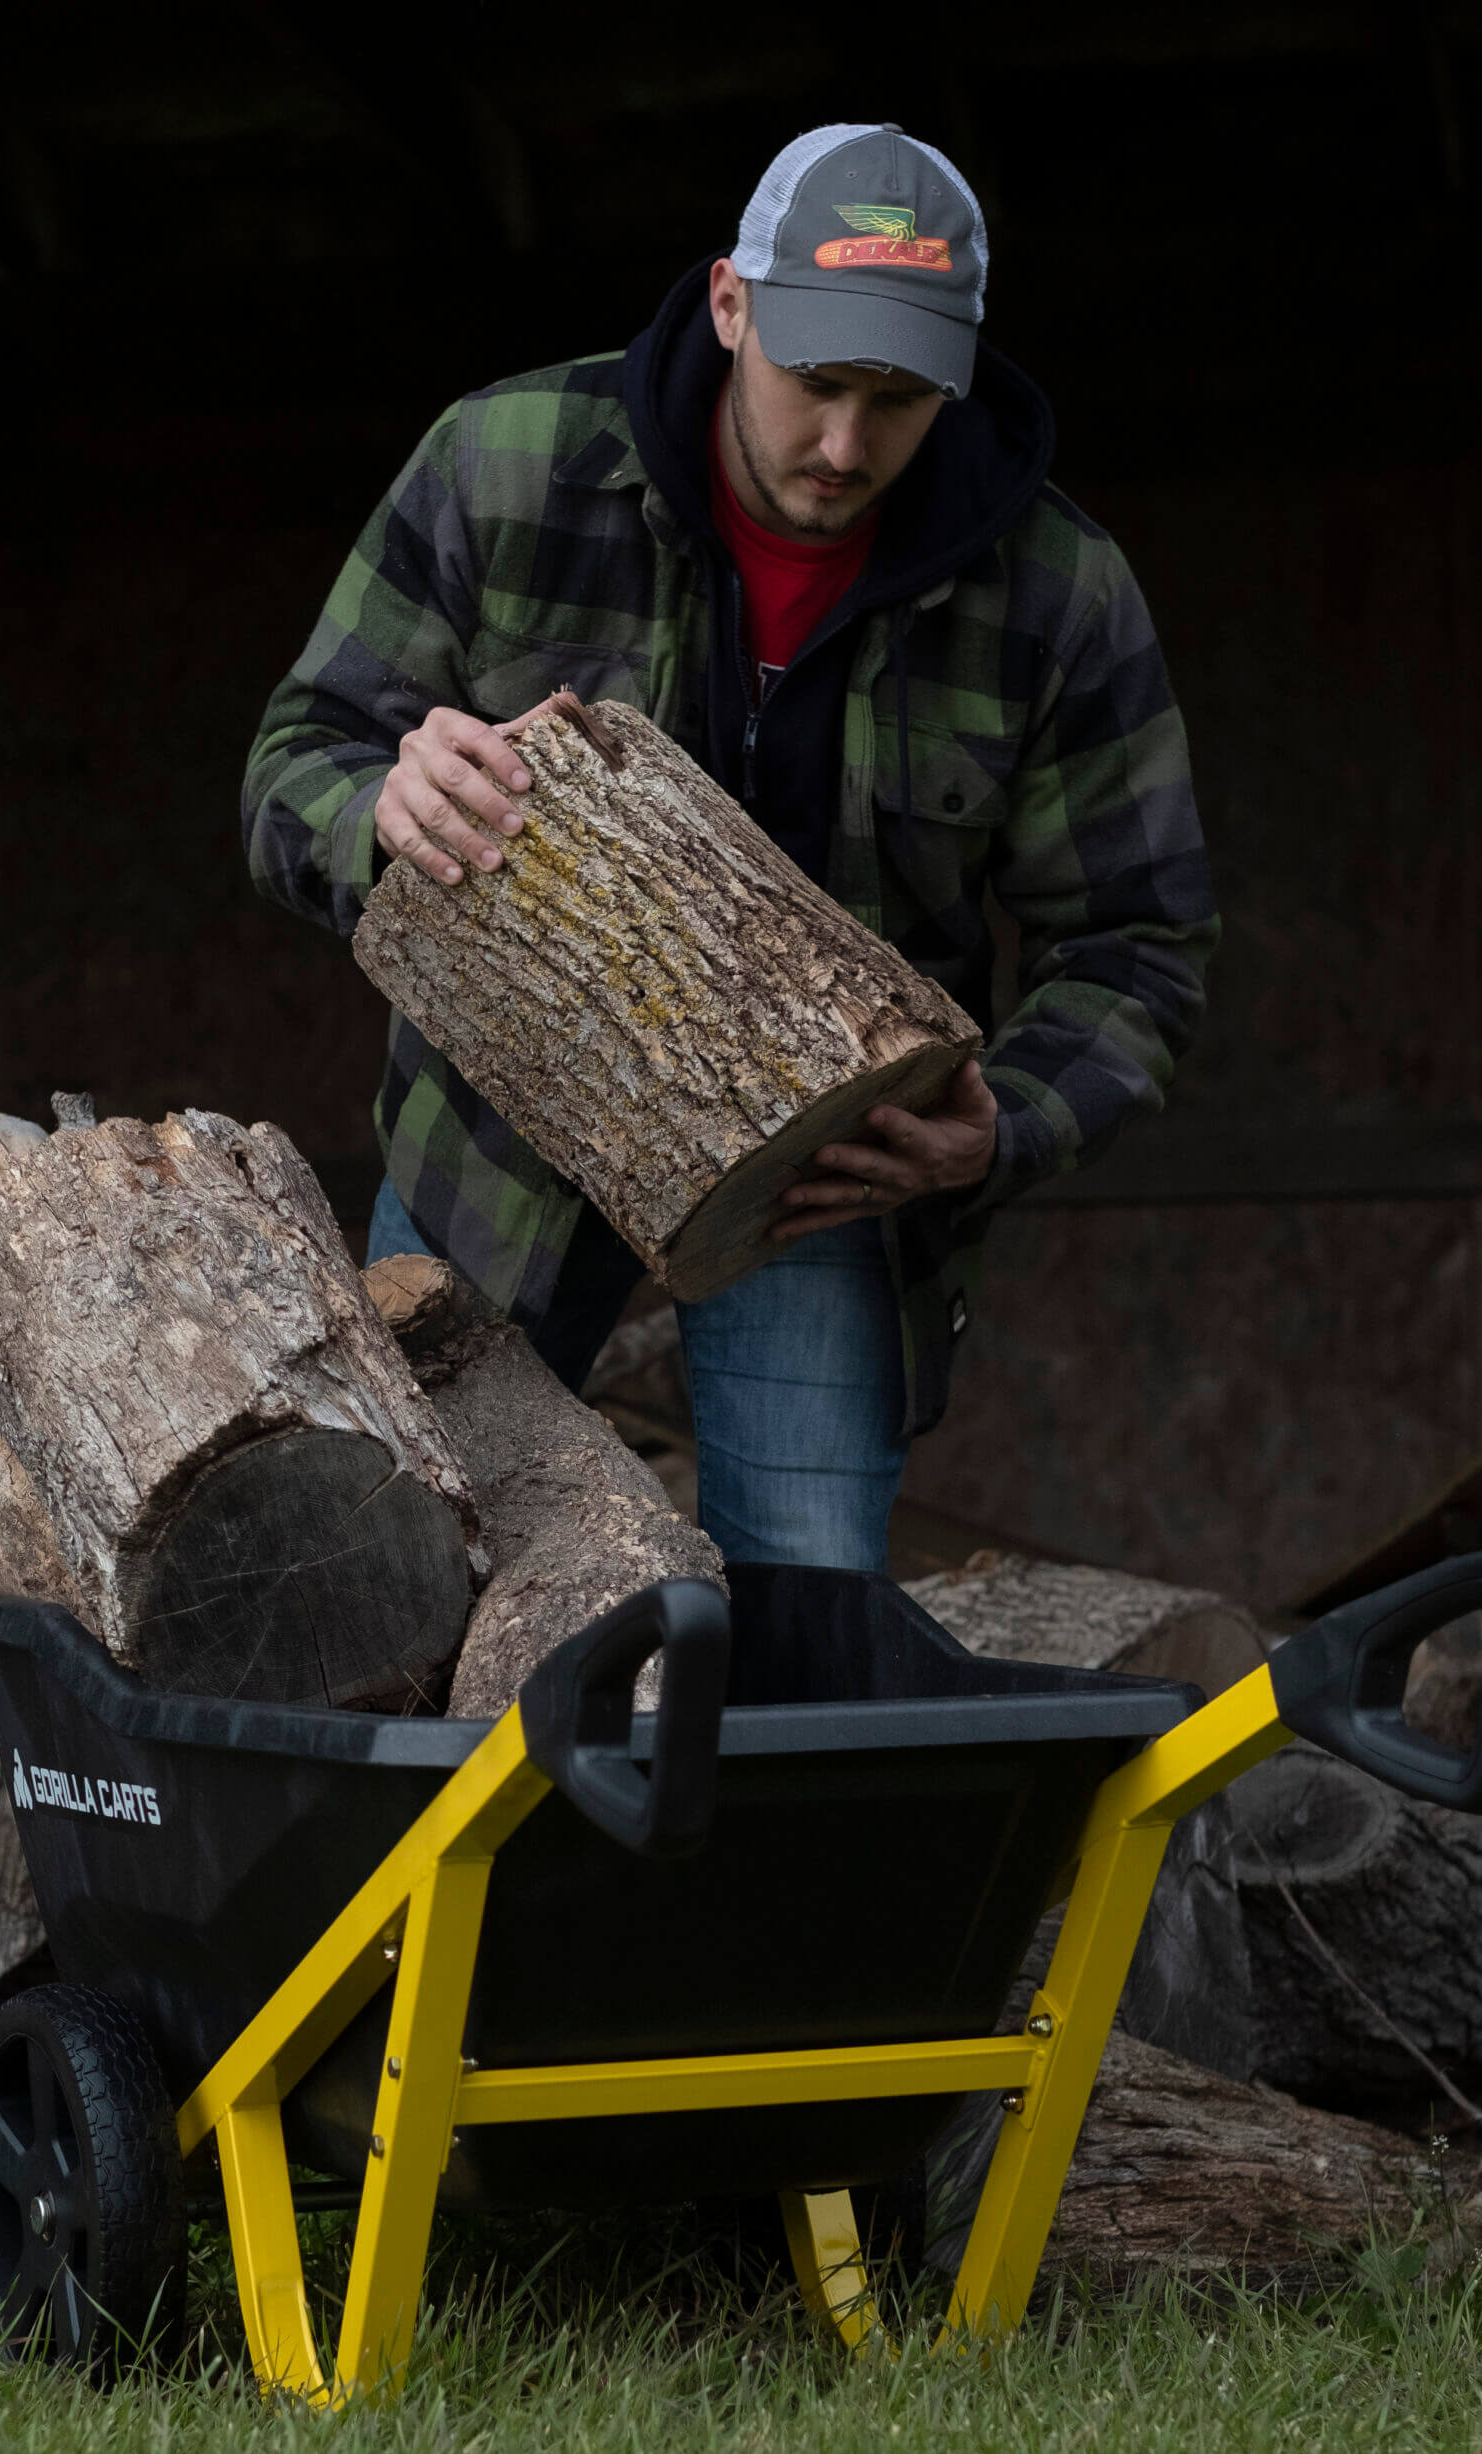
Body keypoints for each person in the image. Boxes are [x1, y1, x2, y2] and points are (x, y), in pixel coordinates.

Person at [242, 123, 1217, 1574]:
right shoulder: (502, 465)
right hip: (488, 1169)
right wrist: (377, 806)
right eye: (814, 384)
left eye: (895, 401)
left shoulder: (1055, 593)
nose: (842, 446)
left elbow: (1140, 942)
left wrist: (999, 1123)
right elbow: (292, 766)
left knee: (808, 1600)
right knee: (399, 1588)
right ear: (728, 305)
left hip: (821, 1184)